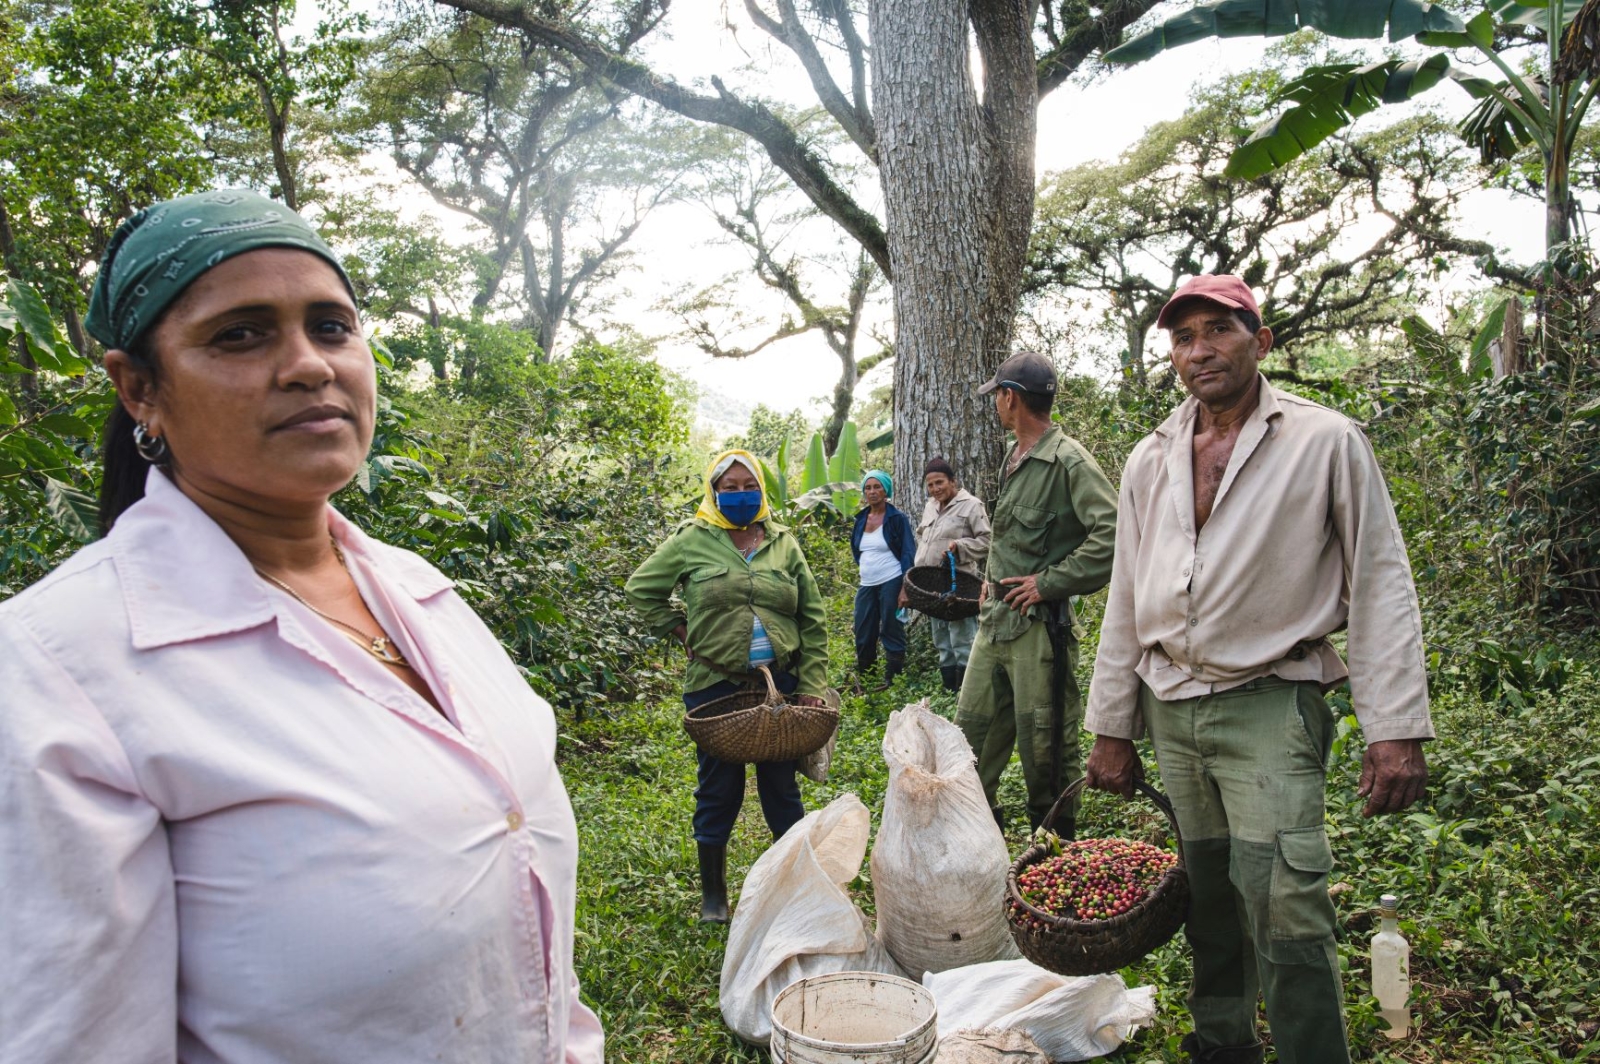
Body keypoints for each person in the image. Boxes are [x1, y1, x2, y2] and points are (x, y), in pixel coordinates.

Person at [0, 189, 603, 1063]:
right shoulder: (61, 668)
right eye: (240, 334)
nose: (308, 366)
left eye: (331, 327)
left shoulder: (423, 593)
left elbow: (532, 949)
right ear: (139, 389)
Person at [1084, 274, 1433, 1064]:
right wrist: (1112, 725)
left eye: (1219, 330)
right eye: (1183, 337)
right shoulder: (1151, 457)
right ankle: (1223, 1046)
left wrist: (1397, 729)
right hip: (1172, 703)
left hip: (1271, 699)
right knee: (1208, 894)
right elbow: (1127, 595)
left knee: (1287, 903)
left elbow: (1381, 581)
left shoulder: (1324, 441)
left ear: (1260, 340)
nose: (1200, 350)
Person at [624, 451, 830, 923]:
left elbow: (812, 618)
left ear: (761, 488)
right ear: (714, 492)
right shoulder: (692, 540)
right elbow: (641, 589)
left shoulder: (783, 543)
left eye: (747, 485)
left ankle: (791, 888)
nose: (740, 495)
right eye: (729, 487)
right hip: (716, 685)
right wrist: (679, 629)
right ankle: (714, 897)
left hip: (780, 686)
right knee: (718, 789)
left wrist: (812, 683)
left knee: (782, 790)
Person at [954, 351, 1117, 832]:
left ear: (1011, 398)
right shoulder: (1014, 455)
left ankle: (1052, 846)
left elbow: (1114, 533)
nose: (996, 406)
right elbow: (1015, 537)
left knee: (1043, 750)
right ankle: (974, 839)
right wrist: (991, 578)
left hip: (1038, 634)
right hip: (994, 626)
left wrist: (1049, 583)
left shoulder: (1069, 461)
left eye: (997, 396)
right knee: (968, 740)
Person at [910, 455, 992, 692]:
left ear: (953, 481)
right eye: (930, 484)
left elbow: (987, 541)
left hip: (959, 586)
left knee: (962, 639)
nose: (935, 489)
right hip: (932, 587)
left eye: (940, 483)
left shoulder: (972, 505)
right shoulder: (930, 507)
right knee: (942, 642)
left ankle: (968, 693)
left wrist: (961, 546)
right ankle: (949, 690)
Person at [849, 469, 918, 689]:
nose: (872, 492)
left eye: (877, 487)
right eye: (868, 488)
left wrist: (905, 587)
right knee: (863, 629)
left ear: (886, 490)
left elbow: (908, 552)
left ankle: (892, 680)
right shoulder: (860, 519)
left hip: (892, 579)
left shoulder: (896, 518)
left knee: (891, 627)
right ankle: (867, 680)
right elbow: (857, 550)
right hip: (867, 583)